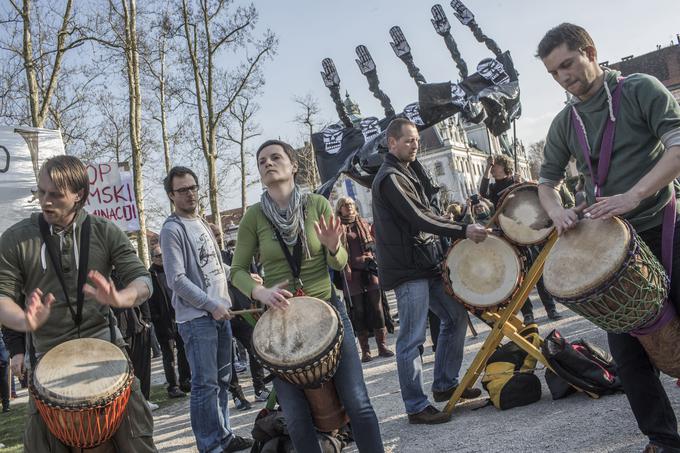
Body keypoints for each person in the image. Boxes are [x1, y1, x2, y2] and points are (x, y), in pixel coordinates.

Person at [536, 23, 680, 452]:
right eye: (554, 73)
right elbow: (546, 182)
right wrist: (558, 210)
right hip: (614, 252)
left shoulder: (640, 90)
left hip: (664, 226)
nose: (563, 77)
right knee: (629, 357)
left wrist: (634, 195)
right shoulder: (566, 122)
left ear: (590, 51)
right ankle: (665, 440)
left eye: (567, 63)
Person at [231, 139, 384, 452]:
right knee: (297, 417)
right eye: (262, 161)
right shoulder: (254, 217)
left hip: (328, 312)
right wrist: (261, 291)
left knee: (358, 402)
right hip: (282, 323)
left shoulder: (317, 204)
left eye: (276, 157)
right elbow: (237, 272)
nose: (268, 164)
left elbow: (340, 264)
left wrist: (332, 247)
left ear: (293, 165)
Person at [0, 155, 156, 452]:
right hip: (47, 362)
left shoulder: (104, 230)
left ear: (79, 195)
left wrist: (122, 298)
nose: (45, 201)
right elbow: (2, 294)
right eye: (41, 191)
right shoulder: (16, 239)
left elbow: (142, 279)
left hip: (106, 354)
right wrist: (23, 321)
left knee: (138, 443)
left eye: (55, 195)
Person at [371, 117, 488, 425]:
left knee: (455, 316)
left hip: (424, 262)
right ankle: (415, 406)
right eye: (409, 140)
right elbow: (419, 218)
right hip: (409, 270)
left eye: (417, 141)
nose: (415, 145)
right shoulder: (390, 177)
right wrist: (463, 230)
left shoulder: (407, 172)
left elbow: (427, 213)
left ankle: (445, 384)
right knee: (411, 339)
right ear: (391, 142)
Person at [160, 166, 252, 453]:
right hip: (198, 318)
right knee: (204, 385)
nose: (190, 194)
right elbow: (176, 280)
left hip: (220, 313)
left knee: (223, 380)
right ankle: (210, 445)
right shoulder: (172, 229)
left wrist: (242, 276)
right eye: (182, 190)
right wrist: (211, 305)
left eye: (193, 187)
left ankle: (224, 436)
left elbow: (214, 267)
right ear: (171, 195)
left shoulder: (200, 221)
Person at [207, 224, 269, 409]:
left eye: (219, 234)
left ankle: (260, 388)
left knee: (255, 349)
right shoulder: (206, 261)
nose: (218, 237)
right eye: (214, 234)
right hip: (222, 313)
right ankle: (237, 395)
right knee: (227, 357)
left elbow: (247, 276)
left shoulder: (232, 256)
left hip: (243, 312)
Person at [335, 196, 394, 363]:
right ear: (340, 208)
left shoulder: (364, 223)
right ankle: (365, 351)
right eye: (346, 205)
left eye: (352, 204)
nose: (350, 207)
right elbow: (336, 250)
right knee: (358, 311)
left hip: (369, 270)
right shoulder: (338, 227)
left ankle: (382, 346)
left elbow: (374, 244)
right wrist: (345, 267)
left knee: (378, 309)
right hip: (351, 274)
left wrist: (372, 256)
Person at [148, 244, 191, 399]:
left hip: (180, 317)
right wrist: (156, 317)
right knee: (168, 356)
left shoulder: (172, 270)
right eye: (158, 256)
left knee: (184, 351)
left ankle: (185, 380)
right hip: (163, 323)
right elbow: (149, 300)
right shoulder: (151, 275)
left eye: (163, 255)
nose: (161, 258)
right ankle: (173, 387)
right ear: (152, 258)